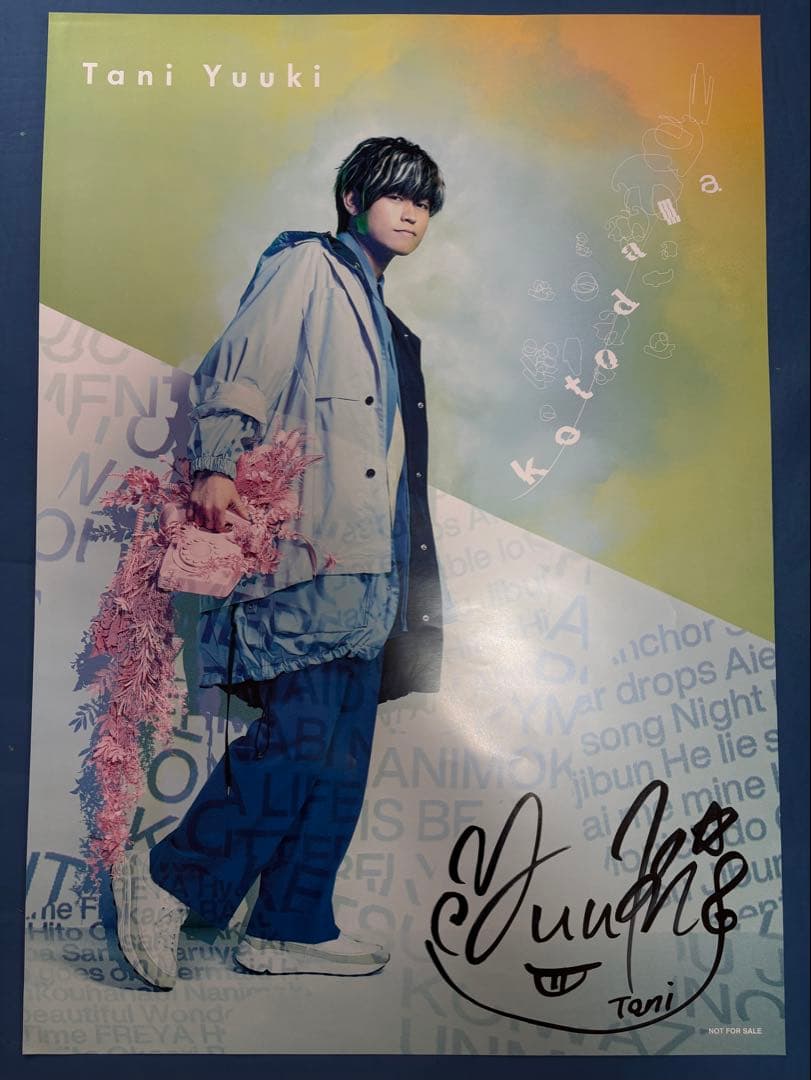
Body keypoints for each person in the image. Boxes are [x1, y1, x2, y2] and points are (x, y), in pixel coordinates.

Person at [112, 136, 445, 989]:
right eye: (396, 194)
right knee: (298, 738)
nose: (412, 212)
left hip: (372, 567)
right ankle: (168, 879)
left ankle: (289, 926)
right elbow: (244, 364)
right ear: (351, 199)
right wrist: (217, 461)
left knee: (340, 755)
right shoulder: (308, 268)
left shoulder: (386, 319)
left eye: (425, 202)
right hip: (308, 549)